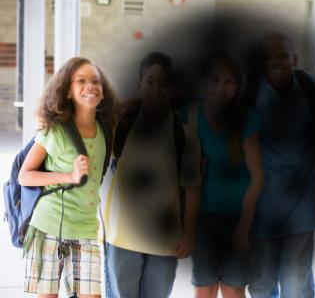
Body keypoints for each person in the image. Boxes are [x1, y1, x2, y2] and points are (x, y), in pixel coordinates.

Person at [103, 52, 202, 298]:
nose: (156, 90)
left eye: (164, 84)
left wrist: (188, 235)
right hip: (122, 237)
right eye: (149, 82)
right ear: (139, 85)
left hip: (166, 240)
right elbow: (93, 117)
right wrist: (127, 105)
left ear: (173, 90)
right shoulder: (121, 125)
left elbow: (193, 189)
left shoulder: (184, 135)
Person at [18, 57, 117, 298]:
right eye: (80, 81)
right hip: (47, 226)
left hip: (86, 229)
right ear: (68, 91)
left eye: (96, 81)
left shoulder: (106, 128)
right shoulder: (54, 131)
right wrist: (69, 176)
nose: (90, 86)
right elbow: (25, 176)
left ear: (103, 92)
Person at [183, 52, 263, 298]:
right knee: (204, 288)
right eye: (214, 80)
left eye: (229, 82)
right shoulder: (190, 115)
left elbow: (257, 177)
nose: (221, 88)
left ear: (238, 86)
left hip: (238, 218)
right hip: (202, 220)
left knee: (233, 289)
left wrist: (243, 227)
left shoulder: (247, 118)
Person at [246, 32, 315, 298]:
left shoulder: (310, 87)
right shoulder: (249, 91)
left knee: (297, 285)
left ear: (295, 58)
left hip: (301, 203)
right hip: (261, 205)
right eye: (267, 57)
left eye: (282, 55)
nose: (275, 61)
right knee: (262, 284)